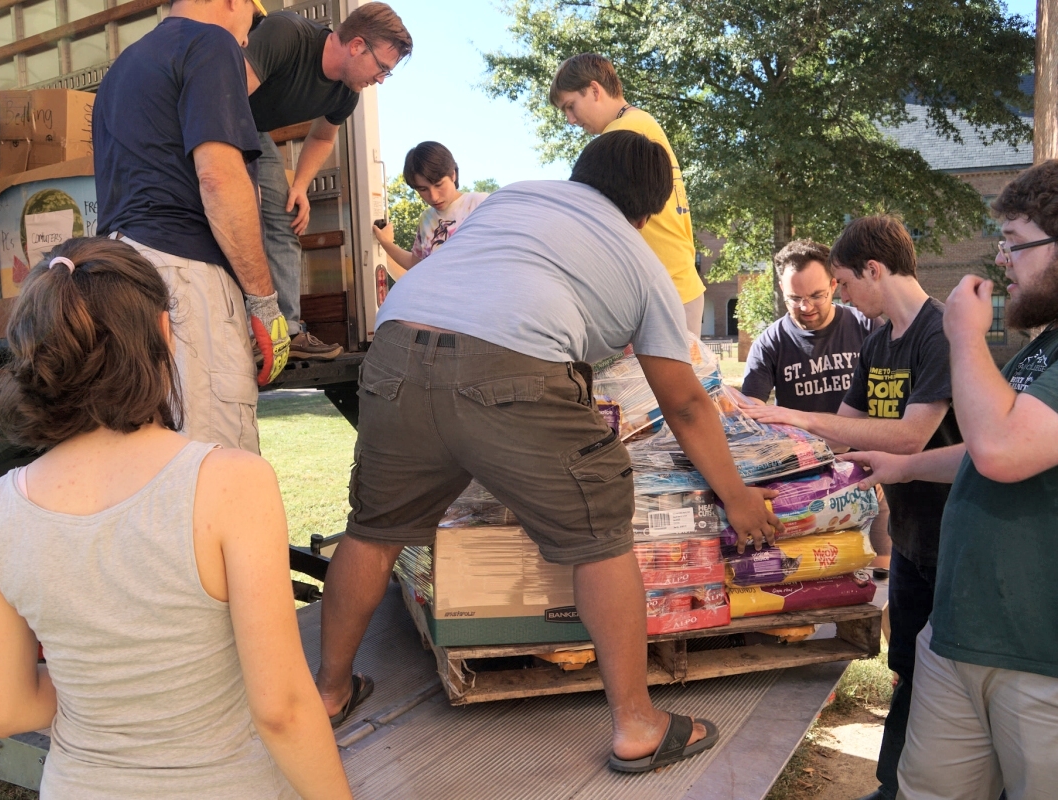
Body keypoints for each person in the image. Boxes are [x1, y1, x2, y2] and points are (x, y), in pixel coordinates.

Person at [315, 130, 781, 773]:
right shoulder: (645, 264)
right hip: (507, 366)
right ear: (648, 210)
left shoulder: (516, 198)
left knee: (373, 530)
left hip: (395, 351)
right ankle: (640, 724)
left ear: (579, 174)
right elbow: (686, 404)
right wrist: (737, 496)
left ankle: (330, 692)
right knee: (600, 529)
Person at [0, 237, 352, 799]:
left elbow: (5, 709)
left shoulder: (0, 508)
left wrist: (100, 687)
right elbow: (282, 709)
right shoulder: (231, 483)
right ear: (163, 333)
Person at [842, 161, 1058, 800]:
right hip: (961, 631)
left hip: (1036, 654)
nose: (1002, 261)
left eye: (1015, 243)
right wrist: (908, 467)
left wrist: (963, 335)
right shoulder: (1043, 347)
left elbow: (1001, 453)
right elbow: (988, 445)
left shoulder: (958, 333)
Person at [746, 216, 963, 800]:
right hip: (915, 537)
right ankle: (894, 786)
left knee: (949, 680)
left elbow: (912, 436)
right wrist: (760, 469)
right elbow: (840, 433)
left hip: (958, 536)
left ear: (873, 269)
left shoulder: (939, 333)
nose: (838, 296)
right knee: (909, 672)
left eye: (840, 282)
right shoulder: (878, 340)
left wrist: (794, 415)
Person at [93, 0, 289, 457]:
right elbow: (220, 178)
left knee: (147, 459)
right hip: (185, 281)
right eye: (252, 22)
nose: (247, 37)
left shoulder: (122, 68)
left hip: (120, 281)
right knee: (214, 463)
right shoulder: (212, 43)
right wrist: (263, 301)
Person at [245, 3, 412, 360]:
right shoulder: (286, 34)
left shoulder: (346, 93)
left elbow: (322, 138)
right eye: (382, 68)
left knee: (285, 216)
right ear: (355, 46)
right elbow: (220, 99)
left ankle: (287, 332)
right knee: (236, 214)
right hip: (211, 115)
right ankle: (238, 329)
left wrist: (300, 187)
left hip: (252, 131)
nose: (381, 79)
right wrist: (237, 170)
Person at [740, 239, 892, 575]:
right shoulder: (770, 343)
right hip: (803, 483)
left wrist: (883, 461)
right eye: (795, 298)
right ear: (781, 288)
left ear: (835, 285)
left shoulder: (867, 328)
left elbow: (891, 407)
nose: (806, 306)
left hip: (868, 471)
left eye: (817, 295)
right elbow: (751, 414)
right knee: (811, 575)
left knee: (883, 574)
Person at [549, 53, 706, 334]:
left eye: (570, 106)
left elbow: (588, 216)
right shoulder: (642, 123)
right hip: (679, 285)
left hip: (662, 292)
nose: (570, 120)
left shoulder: (623, 135)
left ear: (595, 90)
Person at [372, 141, 487, 271]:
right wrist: (385, 242)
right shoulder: (425, 219)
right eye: (423, 189)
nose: (433, 197)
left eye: (438, 185)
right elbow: (416, 265)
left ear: (453, 174)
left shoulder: (481, 203)